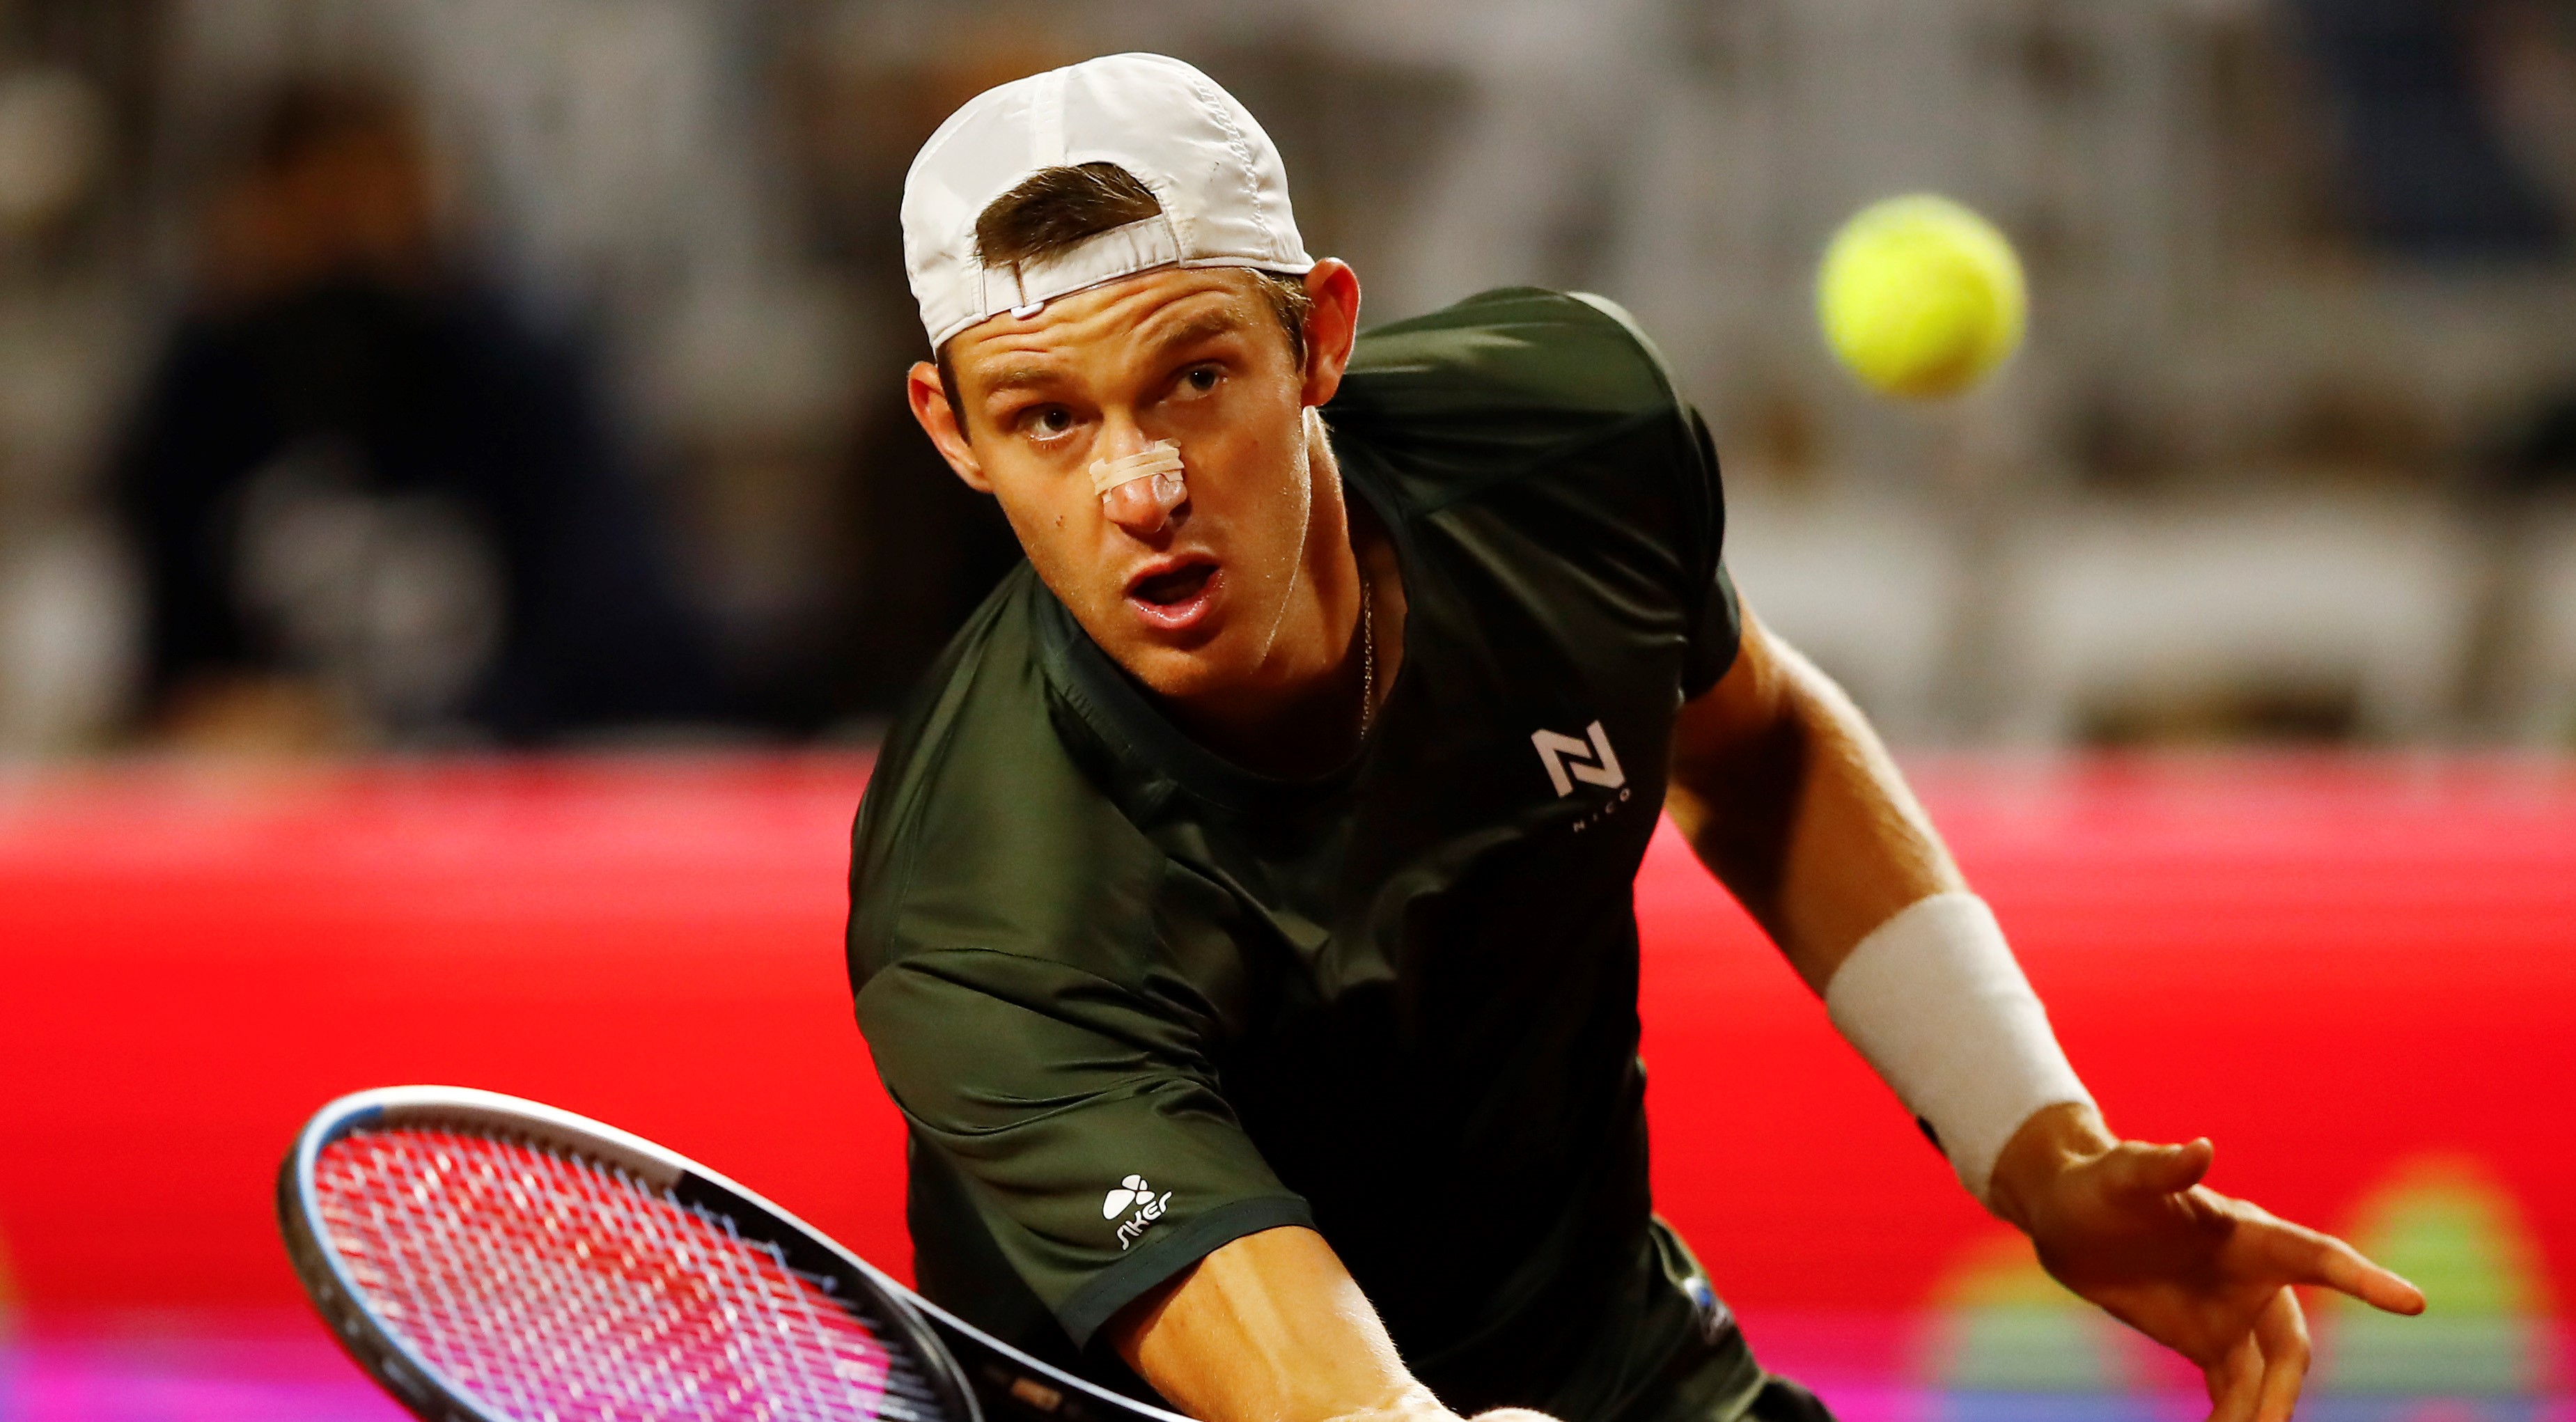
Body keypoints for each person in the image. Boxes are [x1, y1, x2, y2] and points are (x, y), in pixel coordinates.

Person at [846, 54, 2422, 1422]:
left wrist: (2040, 1150)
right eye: (1047, 417)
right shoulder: (977, 904)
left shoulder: (1564, 445)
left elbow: (1760, 750)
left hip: (1616, 1361)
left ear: (1318, 337)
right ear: (950, 431)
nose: (1138, 488)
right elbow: (1322, 1387)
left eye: (1193, 378)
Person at [115, 80, 715, 749]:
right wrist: (232, 720)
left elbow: (616, 646)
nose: (345, 249)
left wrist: (400, 740)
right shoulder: (205, 392)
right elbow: (172, 670)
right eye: (314, 217)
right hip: (280, 796)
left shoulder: (518, 377)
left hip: (498, 779)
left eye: (368, 209)